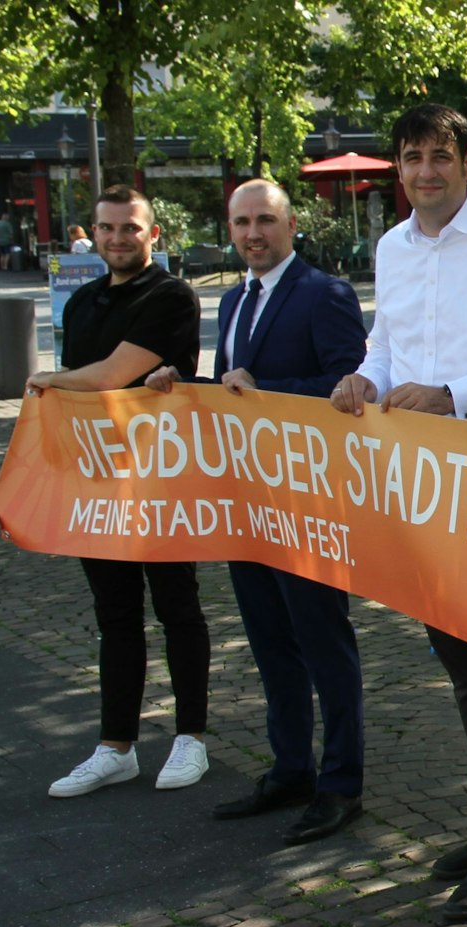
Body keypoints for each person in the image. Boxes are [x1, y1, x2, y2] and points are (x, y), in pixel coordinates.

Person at [325, 104, 467, 921]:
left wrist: (452, 394)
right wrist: (365, 382)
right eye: (412, 157)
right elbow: (386, 347)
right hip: (415, 483)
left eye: (440, 157)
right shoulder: (391, 245)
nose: (426, 171)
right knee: (455, 658)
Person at [148, 180, 370, 843]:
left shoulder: (324, 294)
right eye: (241, 222)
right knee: (272, 645)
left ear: (291, 223)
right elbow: (228, 396)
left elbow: (348, 392)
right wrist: (178, 388)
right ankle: (290, 768)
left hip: (308, 506)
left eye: (265, 221)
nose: (253, 234)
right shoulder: (236, 297)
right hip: (248, 509)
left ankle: (341, 783)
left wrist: (262, 389)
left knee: (324, 645)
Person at [31, 187, 211, 800]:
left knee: (176, 606)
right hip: (95, 481)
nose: (116, 238)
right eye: (106, 228)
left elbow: (109, 378)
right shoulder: (81, 302)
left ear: (152, 234)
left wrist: (49, 380)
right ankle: (116, 747)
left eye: (129, 228)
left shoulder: (171, 297)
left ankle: (192, 738)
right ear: (94, 233)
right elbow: (74, 401)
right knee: (115, 617)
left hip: (160, 479)